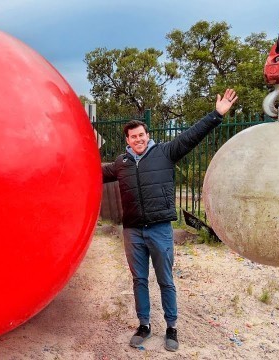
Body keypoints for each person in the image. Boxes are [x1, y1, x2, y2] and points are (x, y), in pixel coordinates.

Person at [101, 89, 238, 352]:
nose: (138, 139)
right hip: (132, 232)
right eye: (133, 137)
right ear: (127, 141)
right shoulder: (121, 163)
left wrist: (216, 115)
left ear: (147, 136)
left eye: (141, 135)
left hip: (160, 229)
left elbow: (191, 137)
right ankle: (144, 325)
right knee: (139, 279)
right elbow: (93, 173)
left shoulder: (165, 152)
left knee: (165, 280)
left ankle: (171, 327)